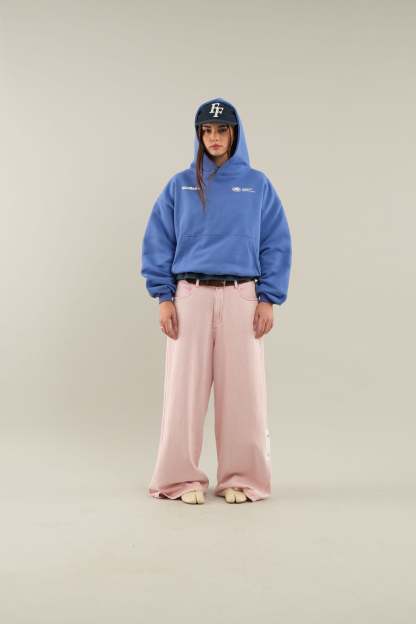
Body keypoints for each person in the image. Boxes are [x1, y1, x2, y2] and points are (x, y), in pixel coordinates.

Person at [140, 97, 292, 505]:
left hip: (242, 296)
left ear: (235, 133)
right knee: (183, 393)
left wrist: (269, 298)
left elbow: (276, 242)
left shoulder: (257, 185)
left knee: (244, 393)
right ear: (199, 135)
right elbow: (158, 240)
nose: (214, 137)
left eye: (221, 130)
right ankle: (178, 478)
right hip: (189, 296)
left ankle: (242, 478)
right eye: (206, 130)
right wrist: (163, 296)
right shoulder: (180, 185)